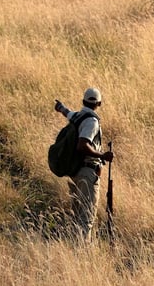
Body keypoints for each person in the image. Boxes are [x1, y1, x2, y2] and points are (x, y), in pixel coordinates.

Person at [54, 87, 114, 243]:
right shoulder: (92, 122)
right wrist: (102, 155)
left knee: (76, 214)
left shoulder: (78, 116)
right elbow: (82, 145)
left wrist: (61, 108)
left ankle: (73, 248)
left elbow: (68, 113)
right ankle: (82, 253)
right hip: (88, 174)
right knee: (86, 217)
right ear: (99, 103)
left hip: (76, 171)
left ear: (83, 101)